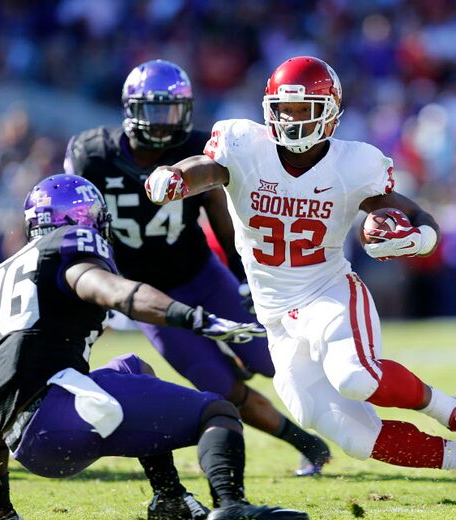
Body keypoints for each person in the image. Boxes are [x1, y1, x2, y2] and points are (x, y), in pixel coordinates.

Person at [144, 56, 456, 504]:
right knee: (352, 437)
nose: (292, 120)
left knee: (355, 377)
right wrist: (175, 177)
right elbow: (205, 169)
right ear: (269, 109)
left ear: (331, 112)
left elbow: (414, 214)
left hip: (327, 292)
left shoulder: (353, 163)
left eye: (305, 110)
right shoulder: (244, 144)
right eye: (284, 109)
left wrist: (413, 238)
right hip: (276, 316)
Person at [0, 174, 307, 520]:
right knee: (218, 412)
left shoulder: (0, 277)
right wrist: (194, 318)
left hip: (26, 441)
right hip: (65, 418)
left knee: (133, 368)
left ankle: (170, 497)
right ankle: (232, 507)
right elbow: (112, 291)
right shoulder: (69, 250)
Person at [64, 59, 331, 477]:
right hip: (149, 298)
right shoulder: (93, 155)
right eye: (153, 109)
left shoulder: (194, 148)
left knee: (270, 359)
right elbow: (82, 228)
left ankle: (345, 418)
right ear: (130, 109)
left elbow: (221, 218)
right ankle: (307, 444)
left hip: (203, 278)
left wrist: (244, 278)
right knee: (218, 385)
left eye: (171, 111)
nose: (162, 122)